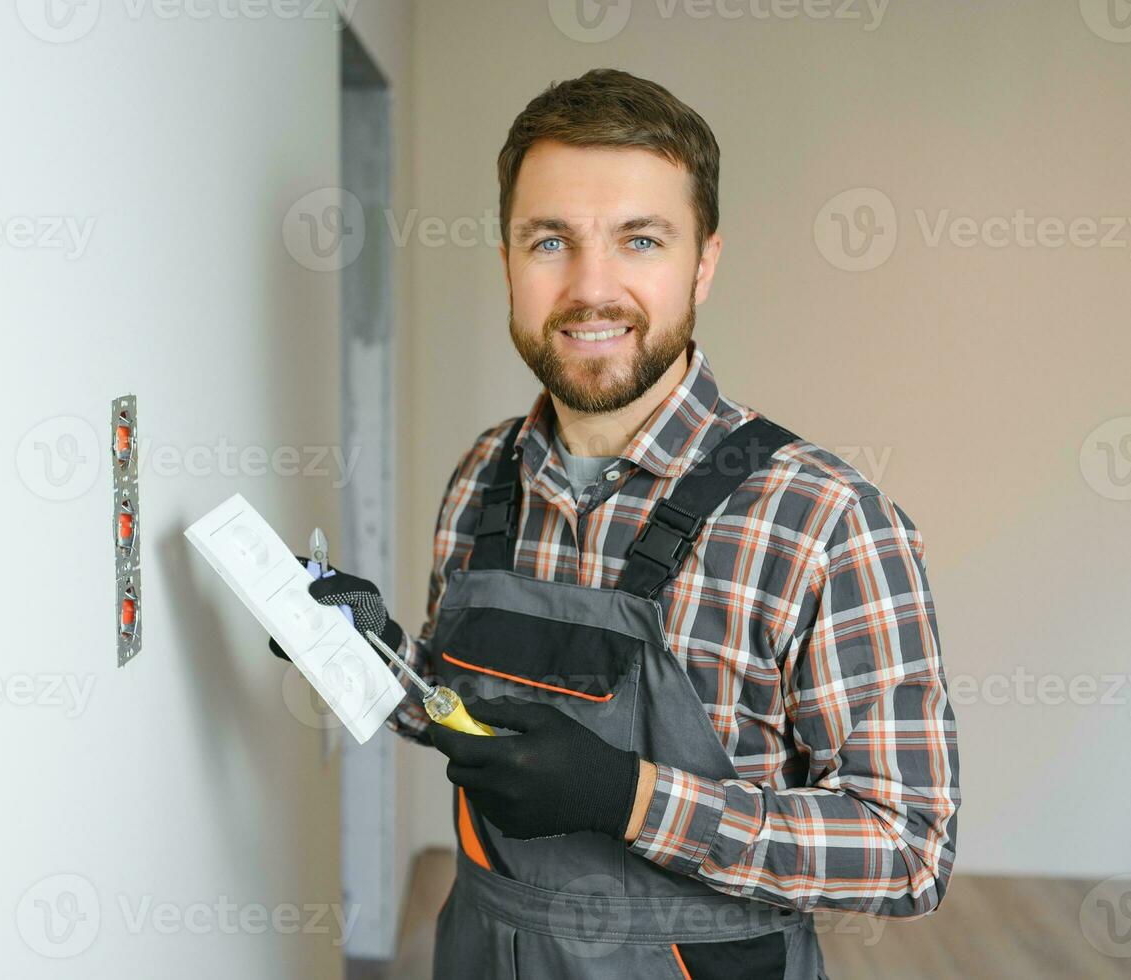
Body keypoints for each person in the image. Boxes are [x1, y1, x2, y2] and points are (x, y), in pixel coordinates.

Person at [273, 68, 959, 979]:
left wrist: (629, 798)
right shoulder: (483, 475)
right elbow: (471, 721)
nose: (591, 288)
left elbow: (907, 848)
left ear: (703, 262)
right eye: (549, 240)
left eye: (639, 240)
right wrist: (372, 651)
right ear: (507, 257)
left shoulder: (825, 519)